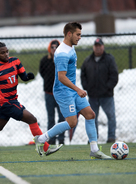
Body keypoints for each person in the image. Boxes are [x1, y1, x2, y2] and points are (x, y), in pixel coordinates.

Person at [0, 38, 63, 156]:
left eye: (6, 51)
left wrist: (28, 77)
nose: (6, 54)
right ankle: (44, 148)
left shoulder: (15, 61)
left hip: (12, 101)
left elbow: (23, 77)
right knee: (32, 119)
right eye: (2, 53)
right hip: (5, 103)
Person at [33, 22, 111, 159]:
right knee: (72, 123)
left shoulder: (69, 48)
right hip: (63, 91)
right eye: (78, 34)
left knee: (90, 115)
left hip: (71, 90)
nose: (80, 37)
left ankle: (94, 150)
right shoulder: (63, 53)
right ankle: (40, 139)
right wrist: (78, 89)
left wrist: (76, 90)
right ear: (69, 34)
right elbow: (61, 77)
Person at [81, 38, 118, 143]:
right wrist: (86, 86)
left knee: (111, 116)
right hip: (93, 95)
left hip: (107, 95)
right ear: (93, 47)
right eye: (96, 46)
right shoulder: (88, 60)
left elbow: (114, 75)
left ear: (103, 47)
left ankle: (111, 137)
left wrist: (108, 87)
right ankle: (93, 138)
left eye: (99, 46)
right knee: (91, 117)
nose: (98, 48)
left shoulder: (109, 59)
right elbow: (83, 74)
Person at [39, 39, 65, 145]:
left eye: (56, 47)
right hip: (49, 93)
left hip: (61, 94)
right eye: (52, 47)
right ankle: (52, 139)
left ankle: (62, 139)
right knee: (51, 117)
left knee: (62, 117)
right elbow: (42, 72)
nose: (54, 49)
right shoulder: (45, 60)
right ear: (49, 48)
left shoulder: (62, 60)